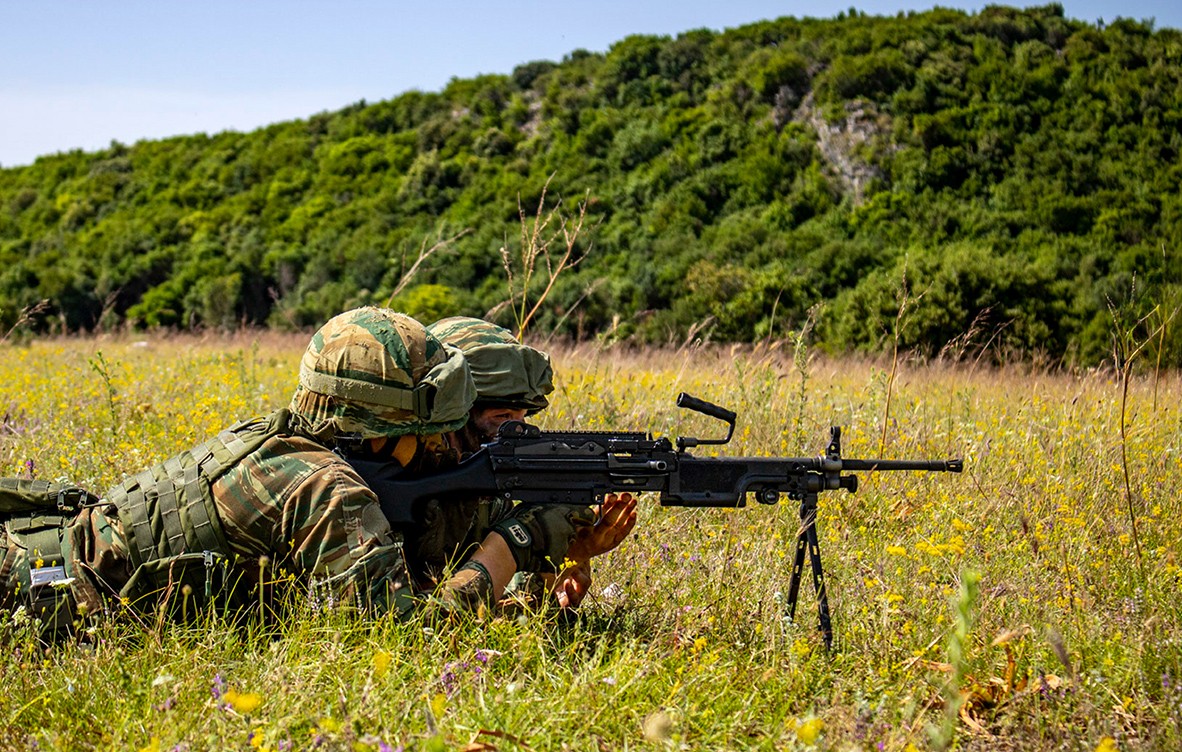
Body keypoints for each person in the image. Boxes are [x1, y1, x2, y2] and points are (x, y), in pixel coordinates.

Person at [0, 307, 594, 639]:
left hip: (37, 558)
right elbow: (402, 647)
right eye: (430, 427)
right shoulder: (329, 491)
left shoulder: (286, 440)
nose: (441, 441)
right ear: (377, 427)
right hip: (30, 590)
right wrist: (513, 545)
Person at [352, 315, 637, 611]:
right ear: (448, 415)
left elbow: (480, 596)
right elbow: (408, 623)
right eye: (502, 417)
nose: (520, 432)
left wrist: (565, 560)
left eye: (522, 418)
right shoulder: (367, 489)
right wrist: (518, 540)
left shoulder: (484, 498)